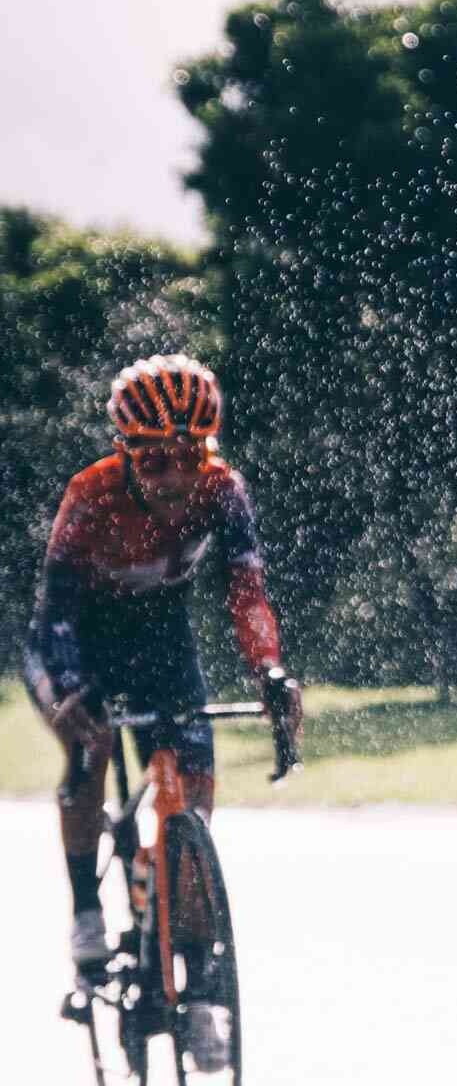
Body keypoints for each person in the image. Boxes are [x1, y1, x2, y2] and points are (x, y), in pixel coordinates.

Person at [22, 354, 301, 1074]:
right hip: (81, 636)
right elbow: (52, 618)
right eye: (154, 461)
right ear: (125, 454)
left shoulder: (223, 490)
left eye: (189, 455)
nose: (175, 475)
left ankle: (199, 972)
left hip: (160, 635)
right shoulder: (89, 496)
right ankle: (87, 908)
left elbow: (246, 593)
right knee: (88, 754)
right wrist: (72, 693)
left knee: (194, 802)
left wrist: (269, 670)